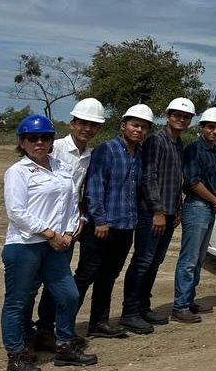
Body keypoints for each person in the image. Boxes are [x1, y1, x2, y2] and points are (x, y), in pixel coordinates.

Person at [2, 115, 96, 371]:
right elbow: (16, 212)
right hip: (24, 245)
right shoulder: (17, 172)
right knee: (17, 301)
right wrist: (50, 235)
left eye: (45, 137)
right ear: (22, 142)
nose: (39, 142)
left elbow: (69, 203)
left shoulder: (60, 167)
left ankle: (64, 346)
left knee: (68, 295)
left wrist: (67, 232)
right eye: (32, 138)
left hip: (56, 244)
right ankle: (17, 355)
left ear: (52, 140)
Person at [30, 98, 104, 353]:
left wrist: (81, 219)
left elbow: (79, 193)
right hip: (41, 228)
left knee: (55, 283)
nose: (87, 128)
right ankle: (25, 337)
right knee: (31, 284)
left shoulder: (89, 155)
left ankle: (46, 331)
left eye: (93, 125)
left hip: (67, 230)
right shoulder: (54, 149)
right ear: (72, 123)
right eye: (82, 122)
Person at [75, 104, 152, 339]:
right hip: (102, 227)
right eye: (134, 125)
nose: (138, 130)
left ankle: (99, 322)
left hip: (125, 226)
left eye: (143, 126)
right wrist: (99, 219)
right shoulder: (106, 150)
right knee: (86, 275)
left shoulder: (139, 155)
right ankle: (61, 325)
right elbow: (95, 187)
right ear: (123, 126)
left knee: (108, 276)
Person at [121, 97, 195, 335]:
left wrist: (177, 210)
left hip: (169, 214)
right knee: (142, 263)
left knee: (154, 263)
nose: (181, 120)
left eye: (186, 117)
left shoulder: (177, 143)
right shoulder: (156, 141)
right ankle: (130, 312)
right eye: (177, 115)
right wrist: (158, 211)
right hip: (152, 214)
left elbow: (176, 181)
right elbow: (148, 177)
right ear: (168, 116)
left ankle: (143, 306)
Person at [170, 107, 216, 323]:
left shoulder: (214, 151)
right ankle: (180, 306)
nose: (214, 131)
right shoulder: (194, 150)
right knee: (189, 259)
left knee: (199, 258)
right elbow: (193, 182)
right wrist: (215, 200)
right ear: (202, 128)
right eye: (210, 127)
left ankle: (188, 300)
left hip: (208, 208)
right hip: (197, 207)